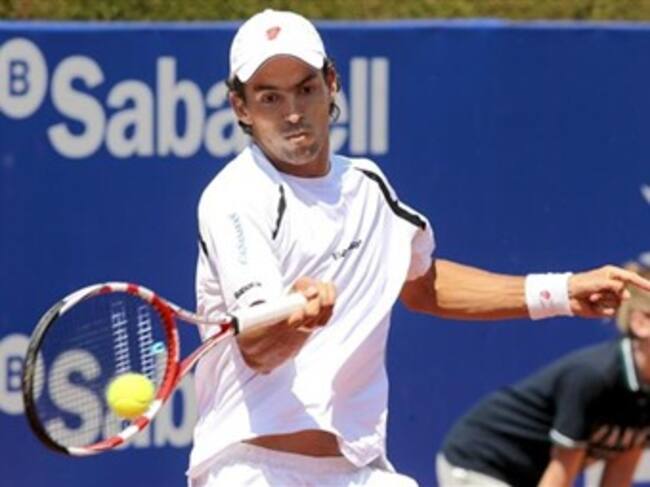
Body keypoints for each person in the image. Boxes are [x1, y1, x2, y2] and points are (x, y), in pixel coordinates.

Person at [187, 9, 650, 487]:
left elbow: (423, 285)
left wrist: (562, 291)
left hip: (356, 469)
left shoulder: (368, 187)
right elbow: (258, 348)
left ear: (331, 84)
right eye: (269, 98)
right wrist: (300, 319)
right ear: (240, 107)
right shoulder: (236, 197)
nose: (292, 113)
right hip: (252, 469)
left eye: (305, 89)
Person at [437, 265, 650, 487]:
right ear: (641, 323)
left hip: (526, 475)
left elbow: (622, 467)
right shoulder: (593, 377)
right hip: (480, 461)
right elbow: (560, 475)